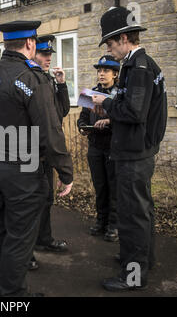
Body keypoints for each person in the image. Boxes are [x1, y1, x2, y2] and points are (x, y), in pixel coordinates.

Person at [0, 21, 73, 297]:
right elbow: (50, 130)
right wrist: (65, 172)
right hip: (23, 168)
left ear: (6, 44)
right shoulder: (31, 77)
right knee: (19, 235)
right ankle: (12, 294)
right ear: (30, 44)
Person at [92, 7, 167, 291]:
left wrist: (106, 103)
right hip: (140, 150)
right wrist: (115, 114)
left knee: (132, 215)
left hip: (134, 155)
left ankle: (133, 275)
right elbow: (141, 112)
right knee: (142, 210)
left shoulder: (138, 66)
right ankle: (142, 259)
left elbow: (135, 112)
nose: (109, 51)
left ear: (124, 38)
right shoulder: (142, 65)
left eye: (110, 44)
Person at [28, 34, 70, 271]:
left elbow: (61, 112)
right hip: (32, 151)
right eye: (44, 54)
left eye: (50, 54)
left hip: (46, 151)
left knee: (46, 199)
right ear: (33, 52)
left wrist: (62, 84)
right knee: (33, 203)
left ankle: (44, 239)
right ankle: (28, 250)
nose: (48, 58)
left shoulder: (47, 79)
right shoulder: (31, 79)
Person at [77, 55, 120, 242]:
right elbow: (82, 117)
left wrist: (109, 121)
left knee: (114, 187)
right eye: (99, 71)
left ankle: (114, 225)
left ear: (115, 74)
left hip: (113, 147)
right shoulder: (90, 93)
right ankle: (101, 221)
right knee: (100, 186)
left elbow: (126, 117)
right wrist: (83, 127)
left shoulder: (120, 95)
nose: (101, 74)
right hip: (95, 146)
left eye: (106, 71)